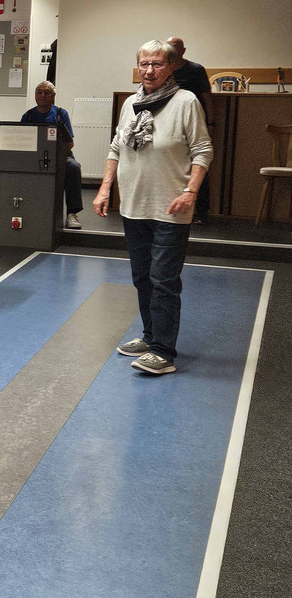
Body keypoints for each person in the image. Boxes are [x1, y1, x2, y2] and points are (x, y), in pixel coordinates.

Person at [92, 40, 212, 376]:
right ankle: (150, 336)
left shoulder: (186, 102)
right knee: (142, 277)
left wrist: (191, 191)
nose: (149, 70)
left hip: (171, 208)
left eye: (157, 64)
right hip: (134, 206)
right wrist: (104, 189)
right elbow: (117, 148)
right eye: (144, 64)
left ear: (171, 67)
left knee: (163, 280)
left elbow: (203, 150)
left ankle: (163, 352)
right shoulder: (131, 104)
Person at [21, 81, 84, 229]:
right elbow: (22, 141)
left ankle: (72, 214)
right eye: (39, 92)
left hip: (60, 155)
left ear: (53, 96)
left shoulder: (61, 114)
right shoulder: (28, 116)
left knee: (73, 167)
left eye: (47, 93)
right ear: (35, 95)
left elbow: (70, 143)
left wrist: (55, 155)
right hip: (34, 157)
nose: (42, 95)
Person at [165, 35, 213, 224]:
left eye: (175, 46)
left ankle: (202, 211)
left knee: (199, 166)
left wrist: (211, 124)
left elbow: (208, 98)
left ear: (183, 50)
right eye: (169, 46)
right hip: (169, 125)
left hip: (193, 123)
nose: (172, 50)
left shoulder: (195, 70)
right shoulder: (164, 69)